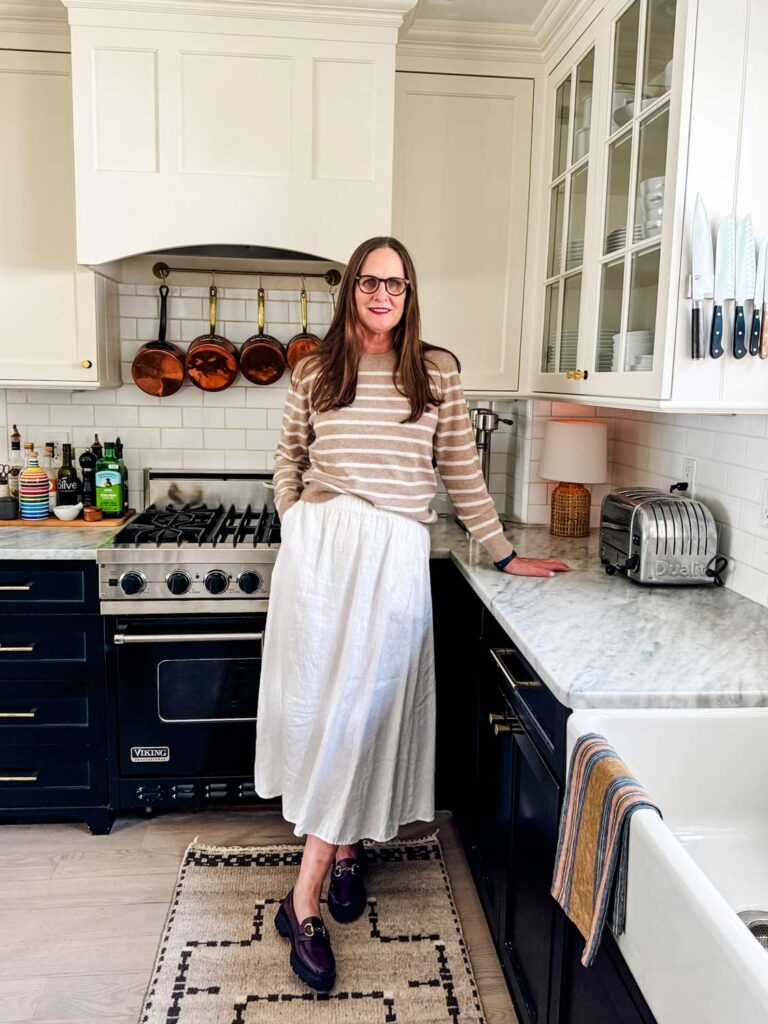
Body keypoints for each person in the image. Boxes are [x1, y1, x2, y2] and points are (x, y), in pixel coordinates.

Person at [254, 236, 570, 992]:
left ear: (409, 291)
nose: (381, 294)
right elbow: (287, 456)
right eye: (369, 281)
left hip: (393, 557)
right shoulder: (311, 370)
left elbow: (461, 469)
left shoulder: (436, 374)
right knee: (326, 710)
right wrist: (295, 515)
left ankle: (303, 895)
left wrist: (502, 552)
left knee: (369, 711)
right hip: (322, 557)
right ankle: (344, 856)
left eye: (394, 283)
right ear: (352, 289)